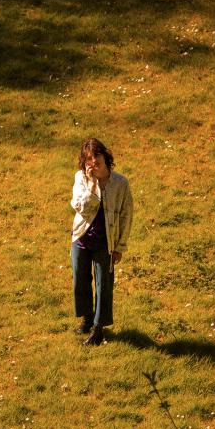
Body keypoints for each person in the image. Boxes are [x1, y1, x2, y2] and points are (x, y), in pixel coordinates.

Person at [70, 138, 133, 346]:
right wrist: (92, 187)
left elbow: (126, 216)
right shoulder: (81, 178)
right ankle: (87, 318)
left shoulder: (120, 183)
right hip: (81, 239)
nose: (93, 162)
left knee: (104, 284)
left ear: (105, 156)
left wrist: (120, 247)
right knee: (80, 280)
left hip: (106, 243)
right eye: (88, 158)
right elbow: (80, 207)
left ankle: (98, 329)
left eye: (96, 156)